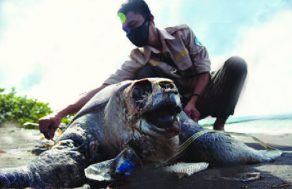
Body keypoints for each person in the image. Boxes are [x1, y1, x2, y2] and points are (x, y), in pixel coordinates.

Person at [39, 0, 247, 140]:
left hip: (203, 96)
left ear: (151, 19)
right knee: (140, 77)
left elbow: (204, 70)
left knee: (236, 64)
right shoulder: (137, 58)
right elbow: (103, 88)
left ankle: (220, 125)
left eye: (134, 24)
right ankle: (167, 129)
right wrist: (60, 114)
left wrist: (194, 101)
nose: (130, 32)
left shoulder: (182, 34)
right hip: (179, 111)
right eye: (126, 30)